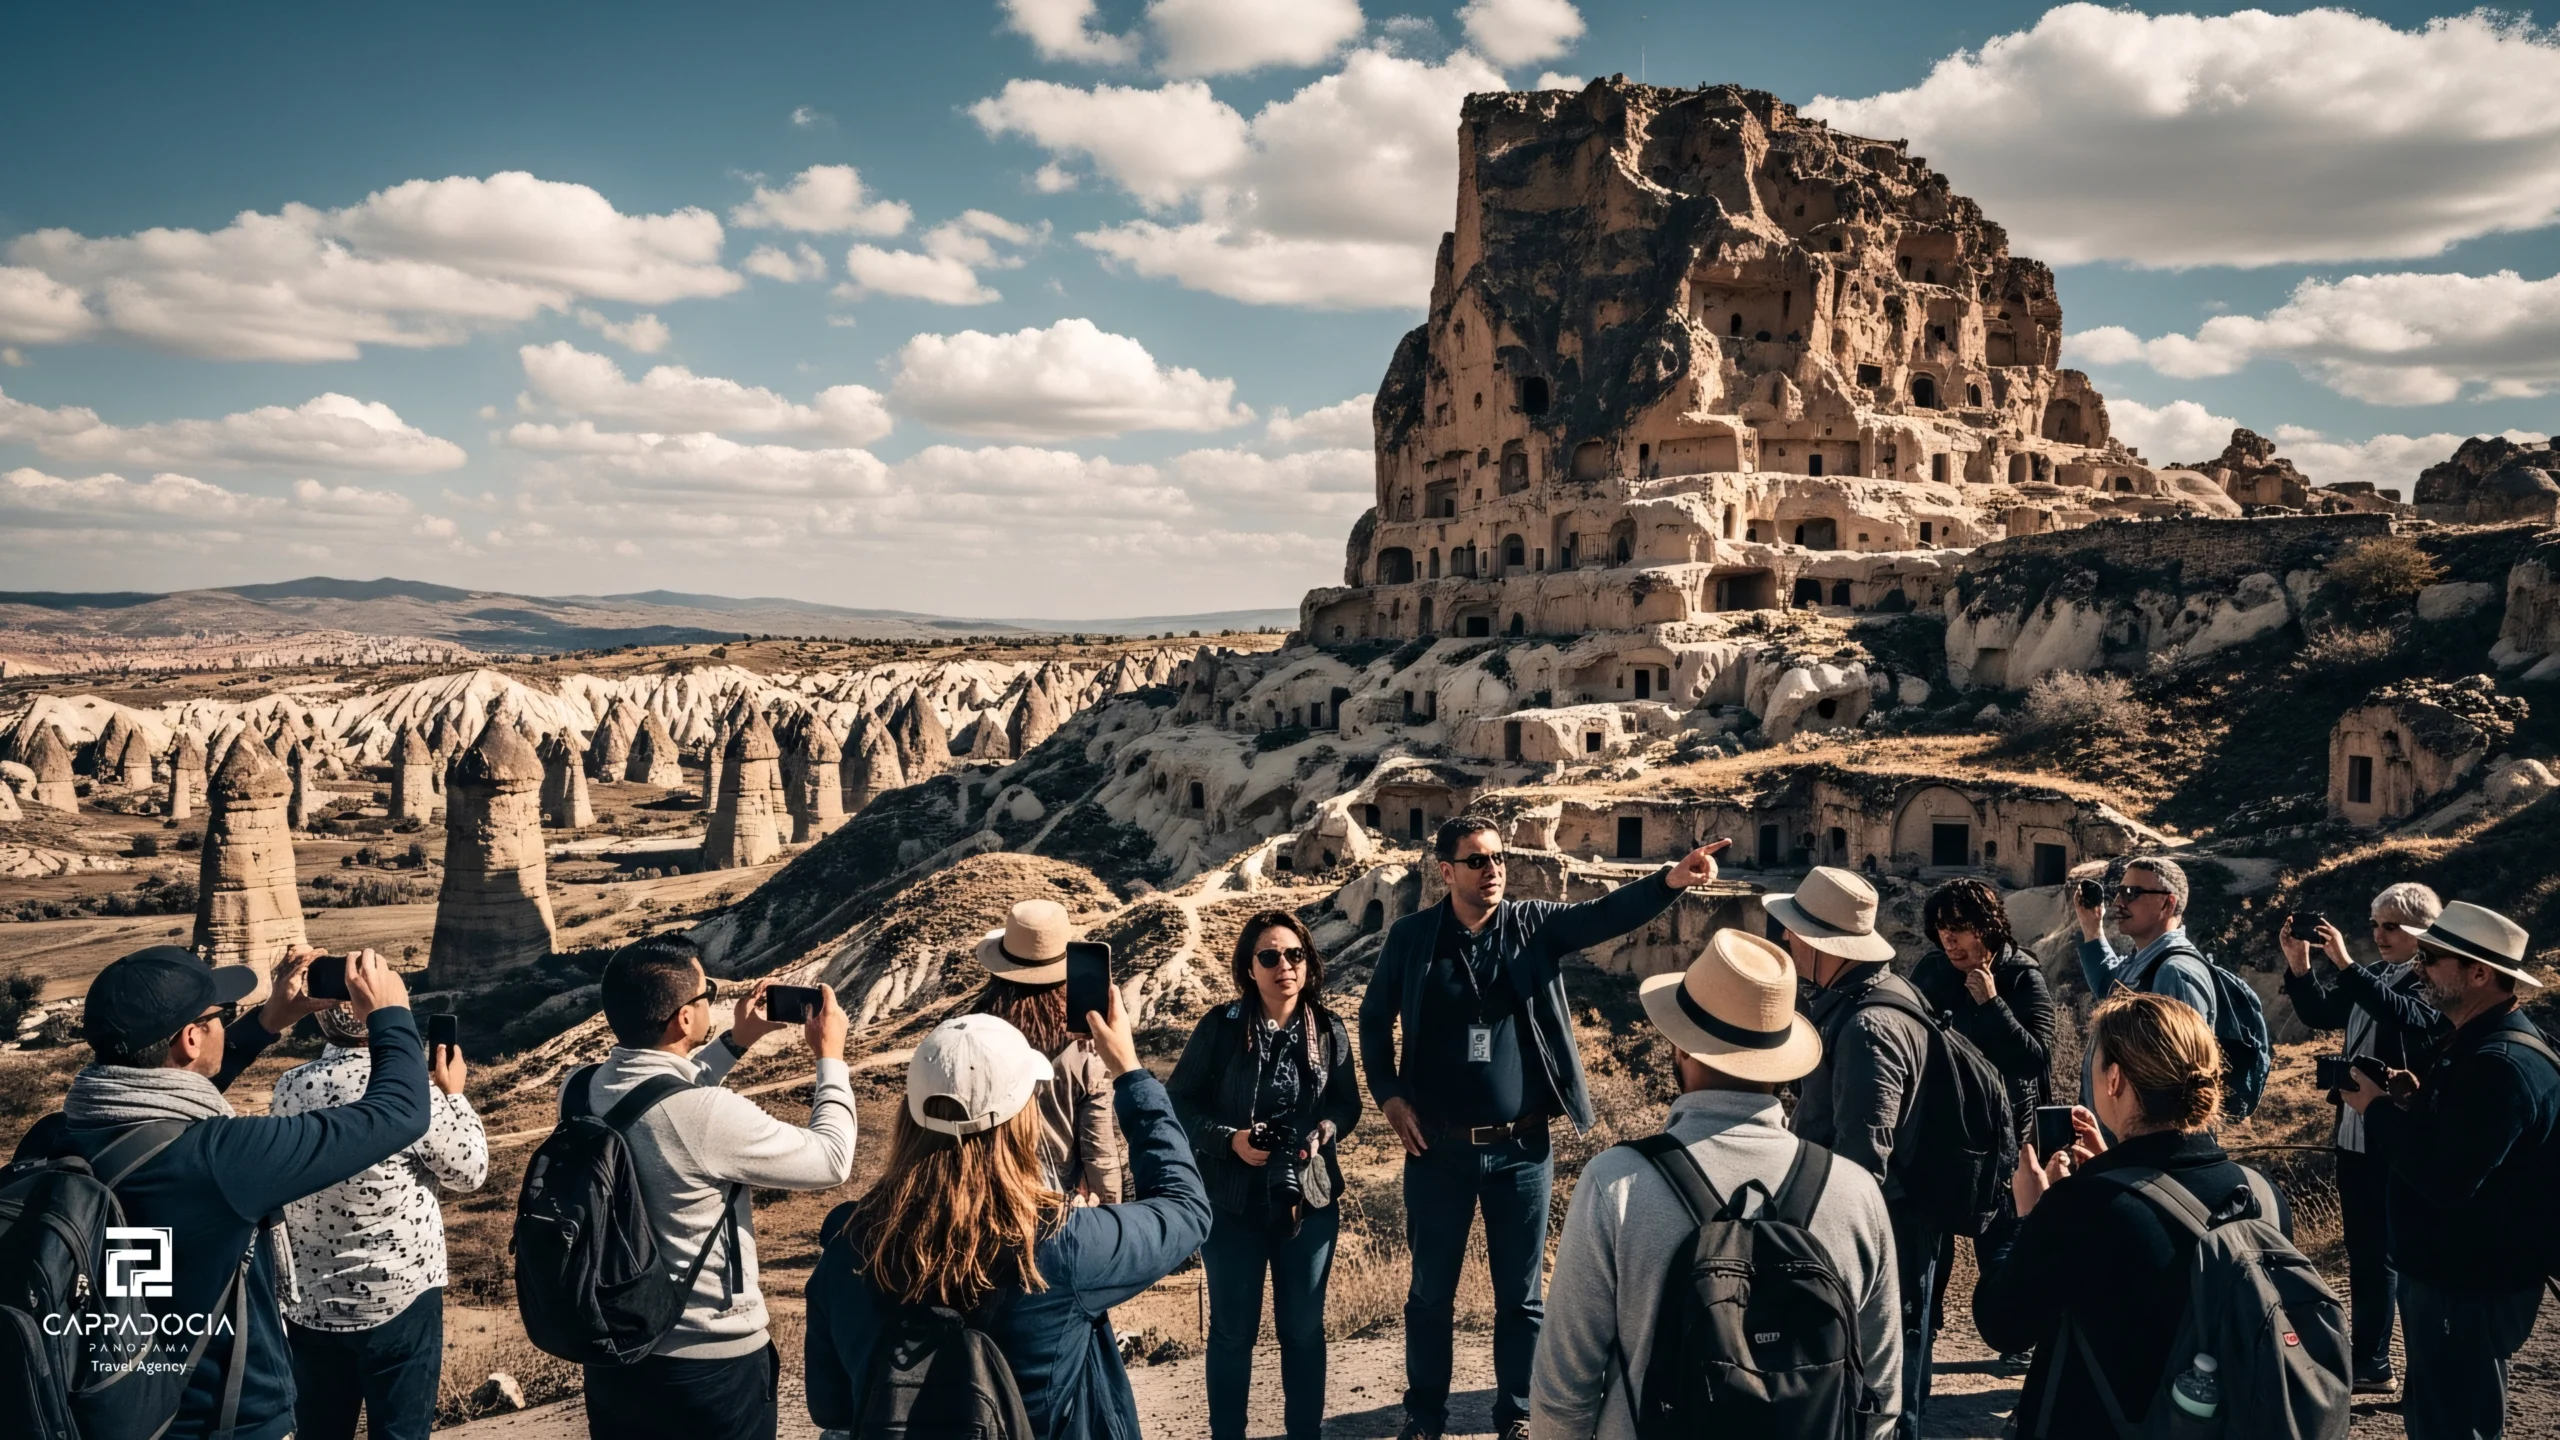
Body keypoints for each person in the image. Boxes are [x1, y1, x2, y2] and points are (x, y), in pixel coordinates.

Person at [1358, 816, 1731, 1440]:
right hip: (1438, 1151)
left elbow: (1604, 916)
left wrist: (1671, 880)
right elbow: (1372, 1022)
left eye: (1498, 858)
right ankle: (1424, 1416)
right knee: (1428, 1295)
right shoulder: (1413, 937)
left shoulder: (1531, 925)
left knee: (1522, 1298)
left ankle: (1519, 1416)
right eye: (1476, 860)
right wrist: (1391, 1097)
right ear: (1445, 871)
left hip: (1521, 1149)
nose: (1493, 869)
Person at [12, 945, 427, 1440]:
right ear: (190, 1037)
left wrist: (267, 1021)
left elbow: (165, 1102)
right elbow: (397, 1113)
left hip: (107, 1410)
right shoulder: (221, 1161)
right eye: (219, 1018)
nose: (224, 1027)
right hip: (225, 1424)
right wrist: (390, 1014)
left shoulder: (54, 1137)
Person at [1531, 928, 1902, 1440]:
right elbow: (1881, 1395)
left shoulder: (1616, 1184)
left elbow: (1563, 1391)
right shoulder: (1855, 1192)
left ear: (1681, 1047)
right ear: (1781, 1061)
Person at [804, 988, 1212, 1440]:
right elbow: (1186, 1209)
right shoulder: (1063, 1245)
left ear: (909, 1116)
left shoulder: (849, 1247)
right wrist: (1130, 1074)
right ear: (1021, 1120)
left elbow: (832, 1406)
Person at [1973, 992, 2294, 1435]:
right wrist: (2121, 1169)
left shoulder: (2081, 1208)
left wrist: (2029, 1215)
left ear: (2115, 1079)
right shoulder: (2263, 1195)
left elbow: (2002, 1324)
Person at [575, 935, 856, 1440]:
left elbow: (655, 1094)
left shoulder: (577, 1089)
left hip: (614, 1354)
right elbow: (831, 1160)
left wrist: (734, 1043)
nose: (712, 1001)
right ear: (684, 1019)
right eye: (707, 995)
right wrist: (830, 1058)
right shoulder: (707, 1116)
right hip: (709, 1362)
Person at [2344, 900, 2557, 1440]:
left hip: (2465, 1281)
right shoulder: (2482, 1045)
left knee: (2452, 1421)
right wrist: (2416, 1104)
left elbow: (2445, 1178)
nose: (2419, 967)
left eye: (2433, 958)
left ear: (2480, 973)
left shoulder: (2498, 1064)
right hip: (2460, 1277)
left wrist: (2376, 1110)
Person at [1168, 911, 1364, 1440]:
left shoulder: (1329, 1029)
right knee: (1232, 1333)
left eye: (1295, 954)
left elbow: (1348, 1105)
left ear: (1309, 963)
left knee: (1302, 1331)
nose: (1285, 966)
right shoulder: (1221, 1027)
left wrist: (1323, 1131)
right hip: (1231, 1202)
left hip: (1309, 1200)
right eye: (1270, 957)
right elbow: (1178, 1101)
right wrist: (1227, 1139)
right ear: (1249, 968)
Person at [273, 1001, 489, 1440]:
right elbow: (470, 1172)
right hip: (399, 1297)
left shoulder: (290, 1088)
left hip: (312, 1303)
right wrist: (454, 1095)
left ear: (321, 1020)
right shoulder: (411, 1090)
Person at [1776, 865, 1935, 1440]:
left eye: (1795, 932)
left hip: (1874, 1232)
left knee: (1876, 1392)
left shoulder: (1870, 1026)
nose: (1786, 941)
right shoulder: (1877, 996)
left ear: (1824, 943)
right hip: (1881, 1226)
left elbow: (1861, 1165)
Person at [2277, 881, 2448, 1395]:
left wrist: (2347, 966)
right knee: (2365, 1252)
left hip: (2399, 1135)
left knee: (2405, 1256)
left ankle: (2422, 1373)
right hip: (2354, 1134)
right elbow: (2322, 1015)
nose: (2380, 935)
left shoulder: (2432, 984)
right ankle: (2371, 1362)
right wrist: (2301, 966)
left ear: (2424, 931)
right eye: (2376, 924)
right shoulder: (2373, 975)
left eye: (2392, 926)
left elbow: (2409, 1018)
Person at [1910, 877, 2053, 1364]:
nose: (1948, 940)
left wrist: (1991, 1005)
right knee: (1932, 1244)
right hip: (1940, 1136)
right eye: (1941, 929)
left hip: (2003, 1139)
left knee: (2003, 1243)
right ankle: (1921, 1336)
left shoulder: (2020, 976)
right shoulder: (1930, 972)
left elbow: (2036, 1058)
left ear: (1987, 928)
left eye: (1959, 928)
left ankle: (2016, 1338)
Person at [972, 898, 1125, 1201]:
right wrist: (1110, 1218)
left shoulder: (972, 1031)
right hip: (1052, 1202)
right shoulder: (1085, 1050)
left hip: (980, 1193)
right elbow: (1101, 1156)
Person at [2072, 857, 2216, 1130]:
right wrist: (2092, 927)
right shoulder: (2146, 960)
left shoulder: (2175, 973)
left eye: (2132, 893)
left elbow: (2180, 1081)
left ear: (2168, 903)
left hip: (2150, 1149)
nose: (2118, 902)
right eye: (2119, 891)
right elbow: (2110, 991)